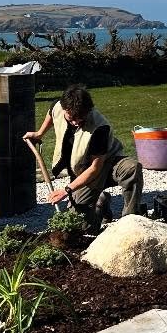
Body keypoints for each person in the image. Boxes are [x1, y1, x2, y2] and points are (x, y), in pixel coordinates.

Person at [23, 83, 143, 231]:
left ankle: (131, 222)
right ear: (64, 108)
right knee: (81, 228)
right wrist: (39, 133)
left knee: (132, 168)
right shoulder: (58, 106)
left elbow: (95, 168)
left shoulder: (100, 128)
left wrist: (66, 190)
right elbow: (51, 112)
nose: (76, 122)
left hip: (106, 163)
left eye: (81, 118)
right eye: (72, 118)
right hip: (82, 171)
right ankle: (100, 203)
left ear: (89, 110)